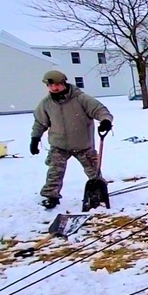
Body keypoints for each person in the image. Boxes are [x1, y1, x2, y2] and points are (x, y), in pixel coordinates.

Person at [30, 70, 114, 209]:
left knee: (94, 172)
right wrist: (35, 138)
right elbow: (40, 122)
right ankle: (51, 196)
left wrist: (105, 121)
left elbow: (100, 110)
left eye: (57, 84)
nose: (54, 88)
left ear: (64, 83)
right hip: (59, 145)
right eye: (51, 86)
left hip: (83, 144)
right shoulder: (46, 104)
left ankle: (98, 193)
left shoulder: (81, 98)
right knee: (54, 171)